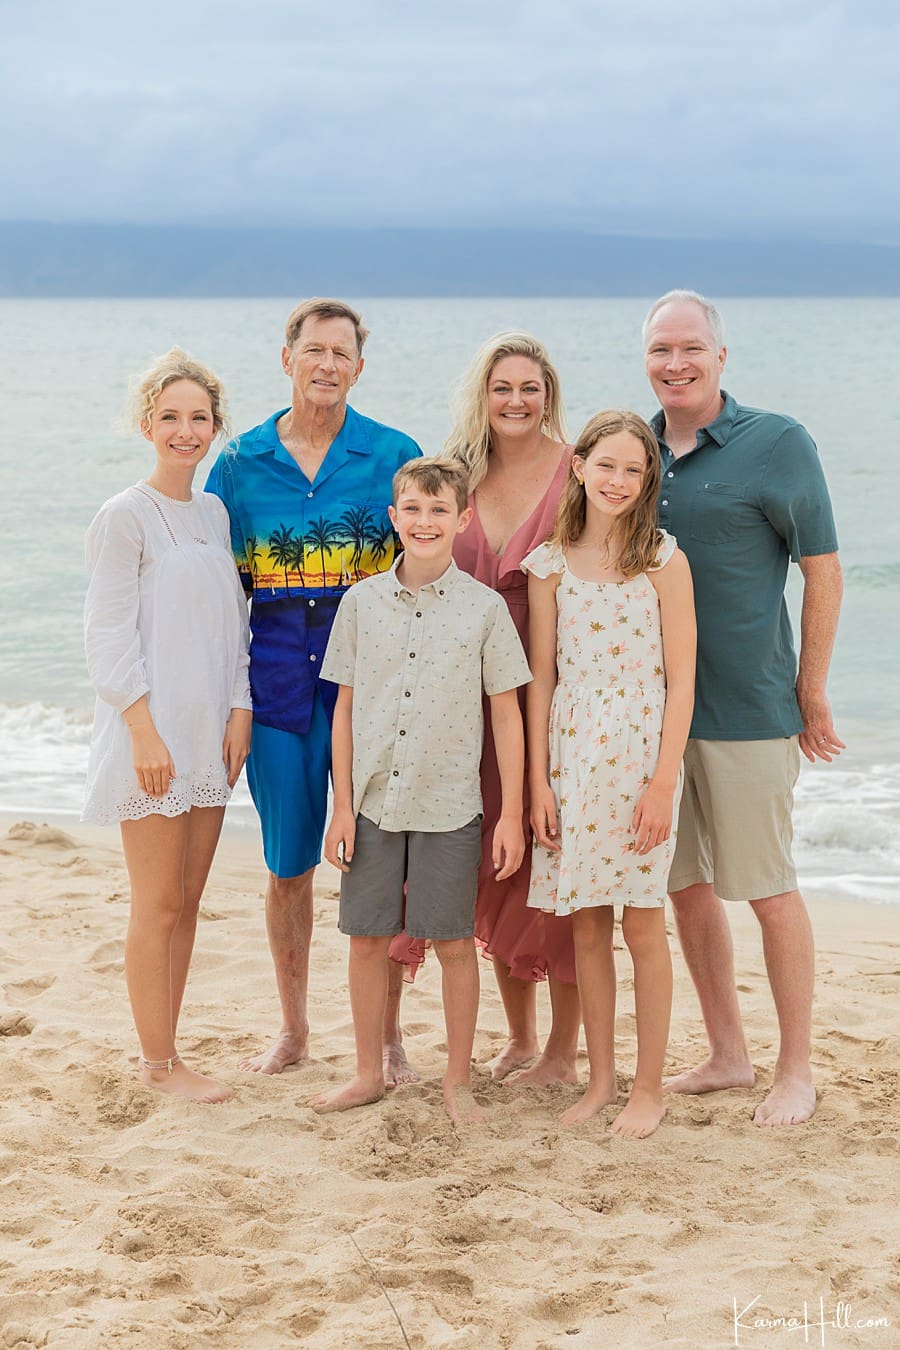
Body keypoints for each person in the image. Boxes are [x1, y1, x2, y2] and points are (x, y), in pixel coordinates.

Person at [642, 289, 843, 1127]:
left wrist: (811, 690)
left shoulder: (777, 442)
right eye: (659, 351)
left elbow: (822, 570)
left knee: (766, 888)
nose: (676, 364)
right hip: (652, 720)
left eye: (690, 347)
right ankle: (728, 1053)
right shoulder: (631, 451)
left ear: (721, 356)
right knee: (684, 886)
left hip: (750, 709)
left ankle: (795, 1068)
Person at [205, 299, 421, 1077]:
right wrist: (230, 703)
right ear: (287, 357)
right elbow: (224, 596)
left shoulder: (394, 453)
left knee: (381, 863)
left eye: (342, 353)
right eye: (314, 349)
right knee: (288, 864)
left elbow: (423, 573)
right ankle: (294, 1028)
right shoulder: (238, 463)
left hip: (372, 682)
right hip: (277, 687)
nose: (327, 364)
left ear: (358, 369)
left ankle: (389, 1034)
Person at [313, 457, 532, 1125]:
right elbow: (345, 710)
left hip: (449, 806)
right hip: (374, 803)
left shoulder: (485, 609)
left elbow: (506, 714)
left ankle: (457, 1082)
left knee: (453, 941)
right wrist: (342, 807)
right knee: (365, 937)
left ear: (462, 519)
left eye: (439, 511)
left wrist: (512, 815)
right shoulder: (361, 603)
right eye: (413, 509)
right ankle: (366, 1072)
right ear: (394, 517)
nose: (425, 521)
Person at [390, 333, 581, 1084]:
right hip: (458, 697)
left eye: (529, 388)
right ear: (483, 393)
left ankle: (565, 1050)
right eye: (502, 387)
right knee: (486, 866)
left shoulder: (575, 470)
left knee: (549, 859)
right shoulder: (456, 474)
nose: (516, 401)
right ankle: (520, 1038)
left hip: (552, 687)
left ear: (548, 394)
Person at [83, 348, 252, 1103]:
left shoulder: (213, 511)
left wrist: (241, 710)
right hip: (151, 735)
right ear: (147, 424)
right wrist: (143, 732)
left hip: (209, 734)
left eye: (200, 418)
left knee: (187, 900)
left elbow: (235, 624)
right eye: (172, 417)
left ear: (216, 427)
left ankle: (170, 1048)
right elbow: (107, 634)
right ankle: (157, 1066)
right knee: (155, 905)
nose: (187, 431)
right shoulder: (125, 516)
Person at [524, 411, 695, 1137]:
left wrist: (663, 781)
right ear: (581, 466)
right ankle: (600, 1082)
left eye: (635, 469)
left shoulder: (663, 560)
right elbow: (539, 680)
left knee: (645, 923)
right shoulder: (549, 565)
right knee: (587, 926)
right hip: (570, 754)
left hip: (640, 756)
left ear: (647, 479)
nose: (619, 480)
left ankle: (648, 1087)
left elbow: (683, 681)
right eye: (608, 465)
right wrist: (537, 783)